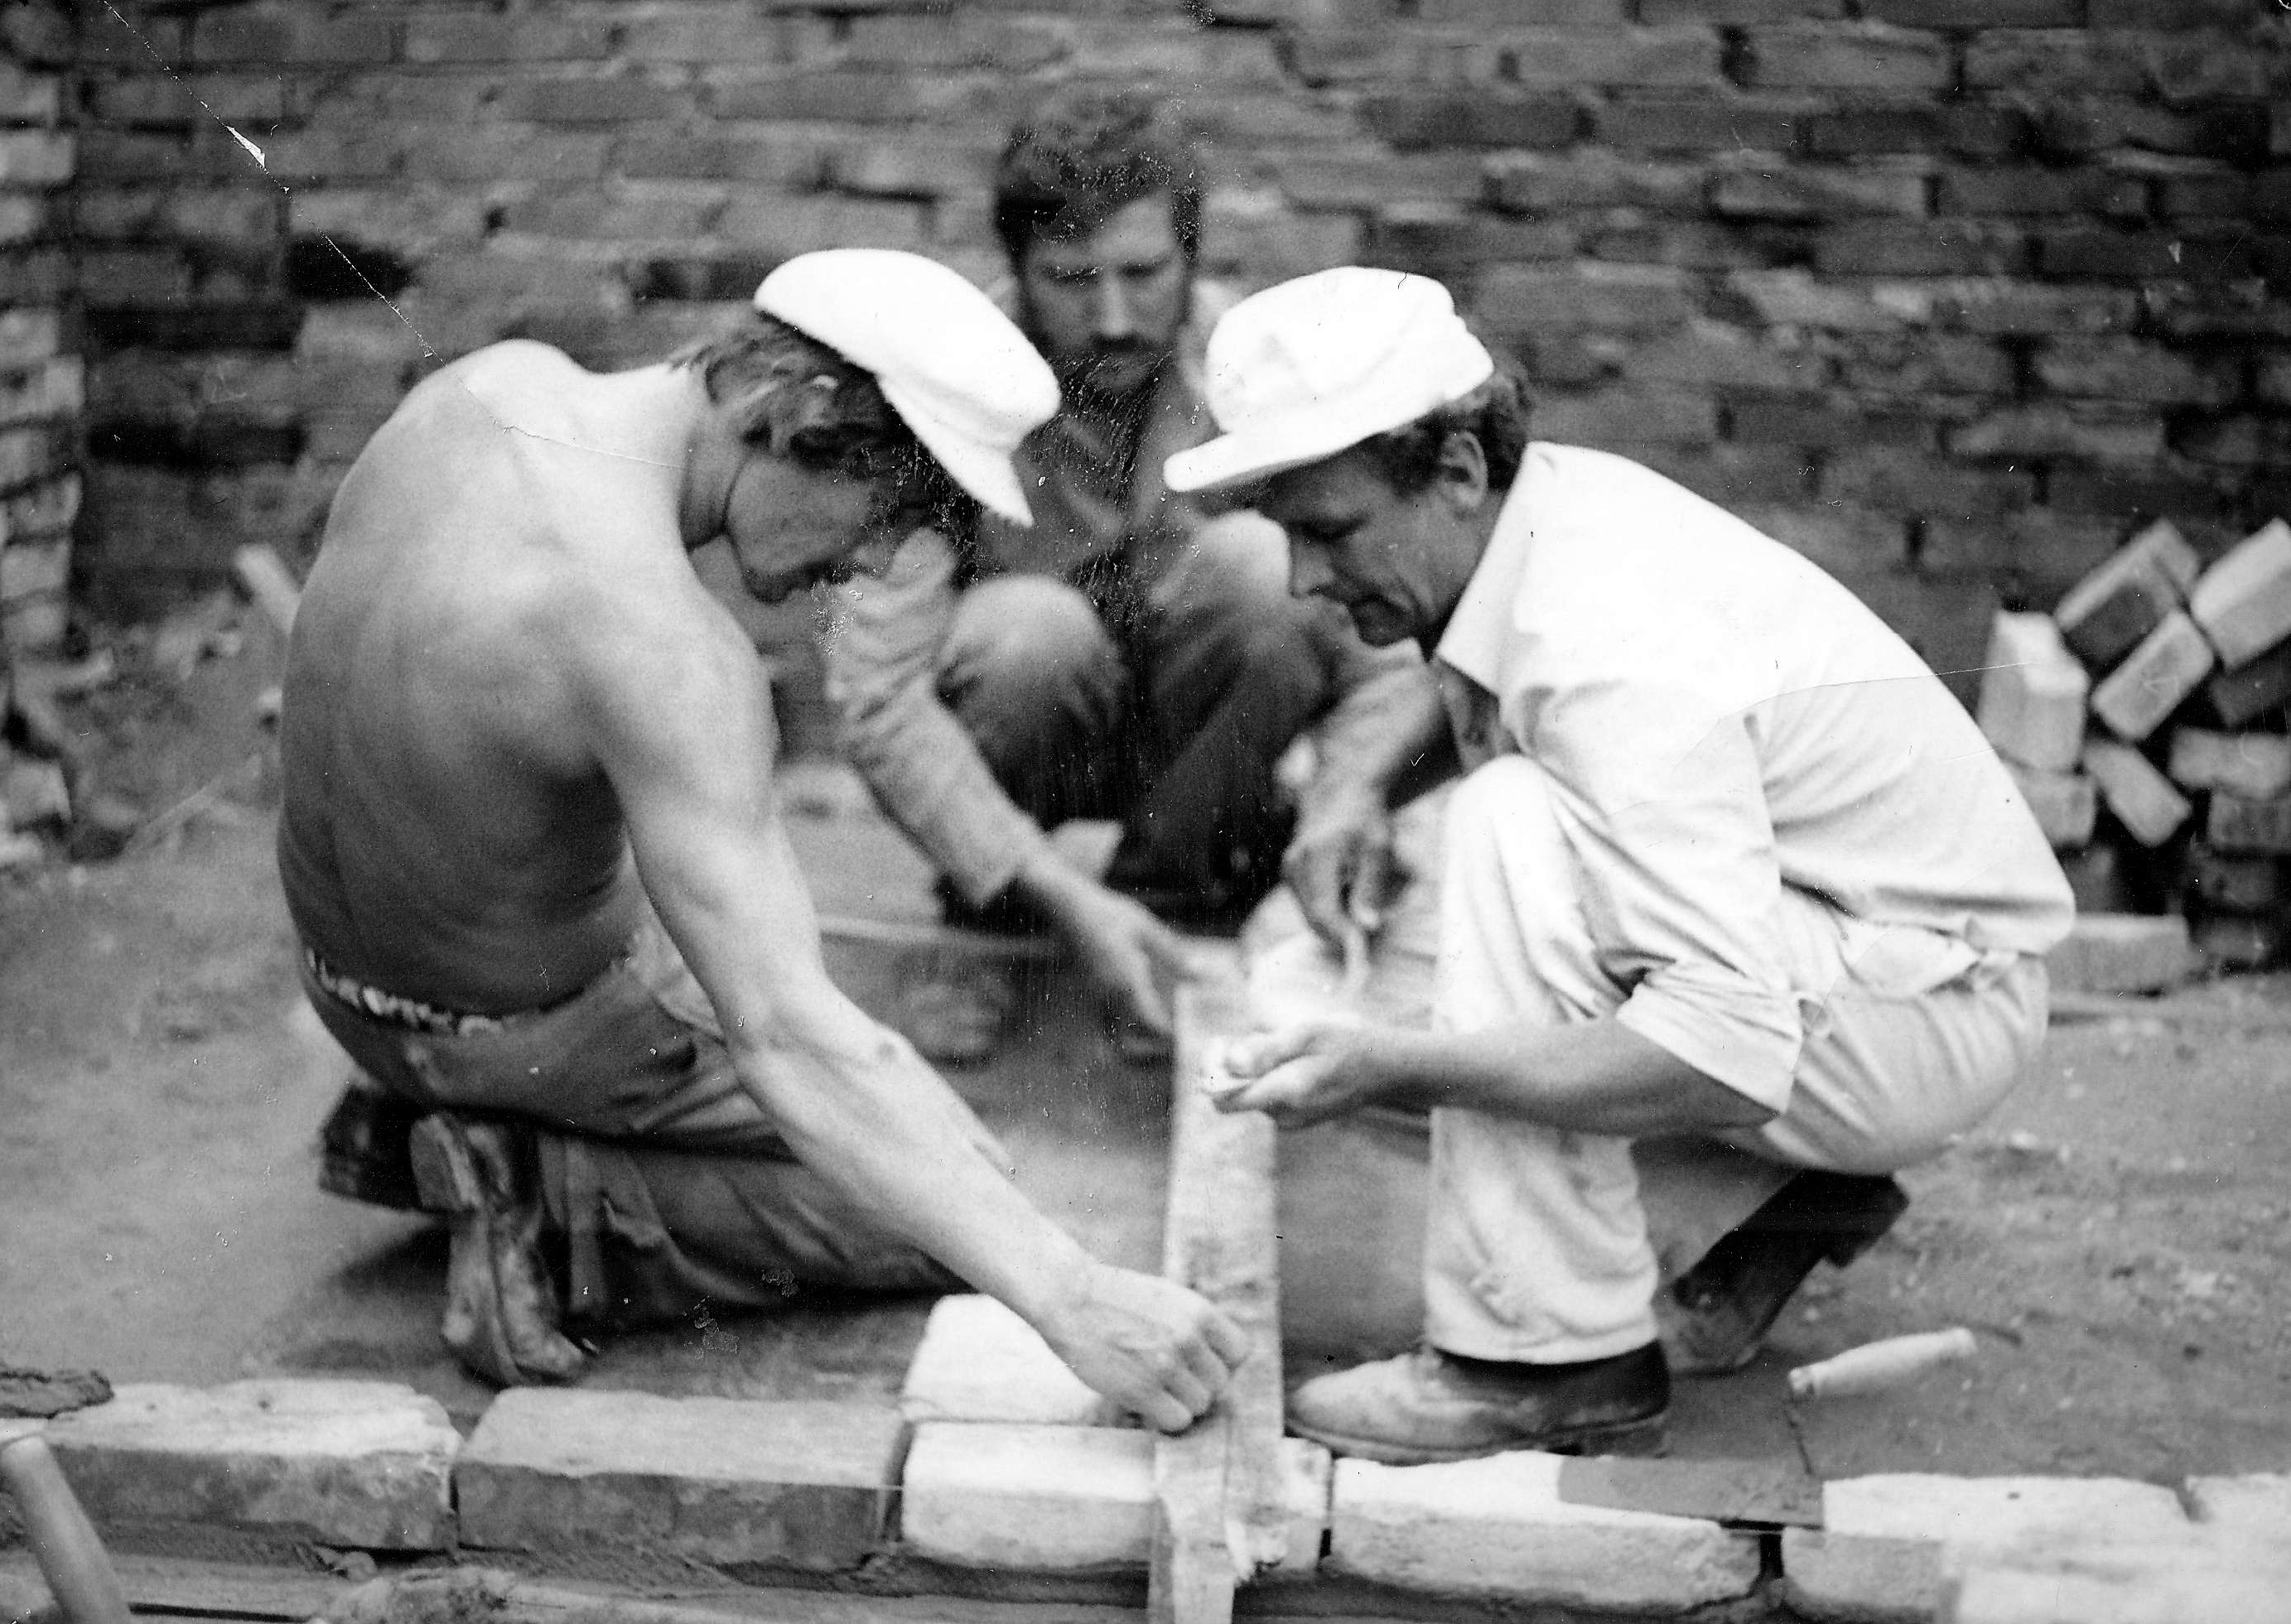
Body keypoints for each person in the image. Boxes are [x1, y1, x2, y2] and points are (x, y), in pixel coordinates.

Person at [280, 247, 1247, 1423]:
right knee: (964, 1199)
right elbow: (786, 1038)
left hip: (347, 991)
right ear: (791, 413)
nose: (875, 561)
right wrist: (1071, 1295)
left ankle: (430, 1114)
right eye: (893, 512)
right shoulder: (661, 649)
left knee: (887, 1102)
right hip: (531, 1029)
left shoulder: (484, 390)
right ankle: (555, 1197)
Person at [1166, 267, 2075, 1462]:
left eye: (1328, 531)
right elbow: (1488, 672)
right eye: (1287, 534)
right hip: (1844, 950)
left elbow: (1719, 1044)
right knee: (1303, 978)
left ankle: (1543, 1360)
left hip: (1926, 1006)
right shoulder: (1534, 513)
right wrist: (1353, 792)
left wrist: (1405, 1067)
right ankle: (1771, 1202)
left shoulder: (1609, 643)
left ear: (1454, 470)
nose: (1301, 580)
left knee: (1504, 836)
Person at [822, 87, 1428, 1060]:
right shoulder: (939, 393)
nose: (1111, 317)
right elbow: (874, 692)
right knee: (1029, 633)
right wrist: (1018, 874)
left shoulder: (1260, 372)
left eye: (1144, 274)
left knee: (1261, 569)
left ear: (1190, 256)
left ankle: (1167, 915)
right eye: (1070, 279)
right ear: (1017, 270)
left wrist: (1348, 797)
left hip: (1199, 757)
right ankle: (990, 922)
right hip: (1023, 735)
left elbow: (1386, 650)